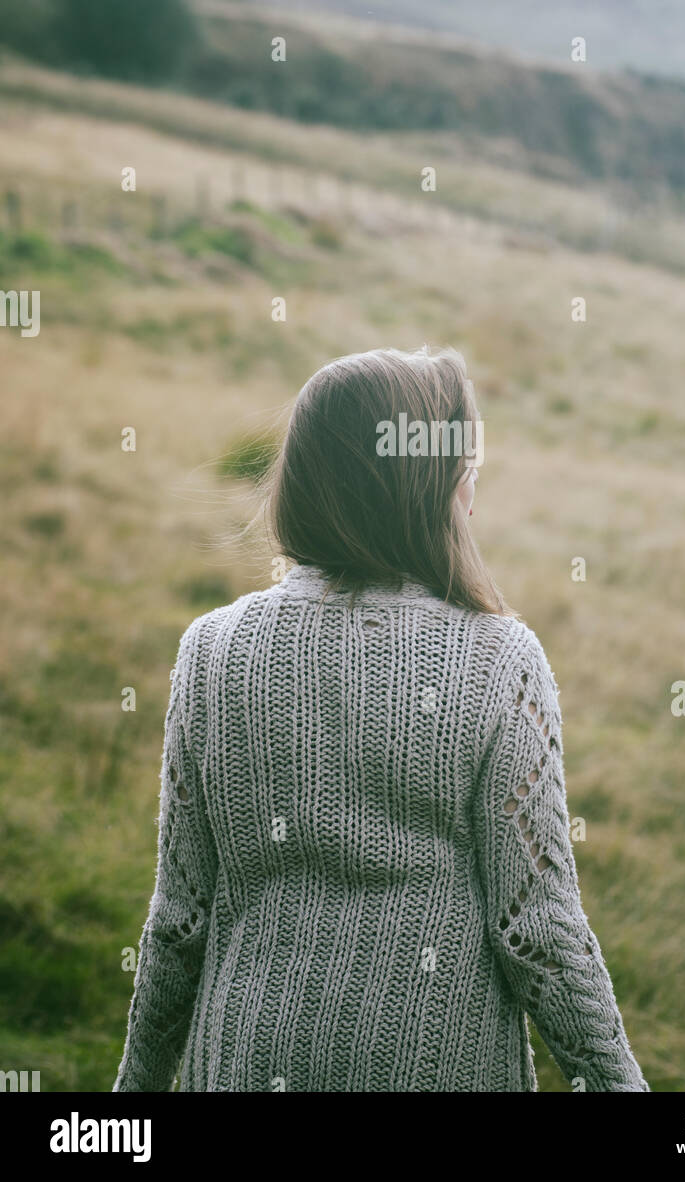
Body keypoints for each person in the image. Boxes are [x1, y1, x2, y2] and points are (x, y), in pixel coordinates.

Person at [113, 346, 648, 1092]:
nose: (472, 499)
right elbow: (535, 932)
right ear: (420, 488)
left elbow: (179, 922)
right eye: (465, 478)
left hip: (239, 1065)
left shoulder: (212, 650)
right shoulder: (499, 660)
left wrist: (130, 1099)